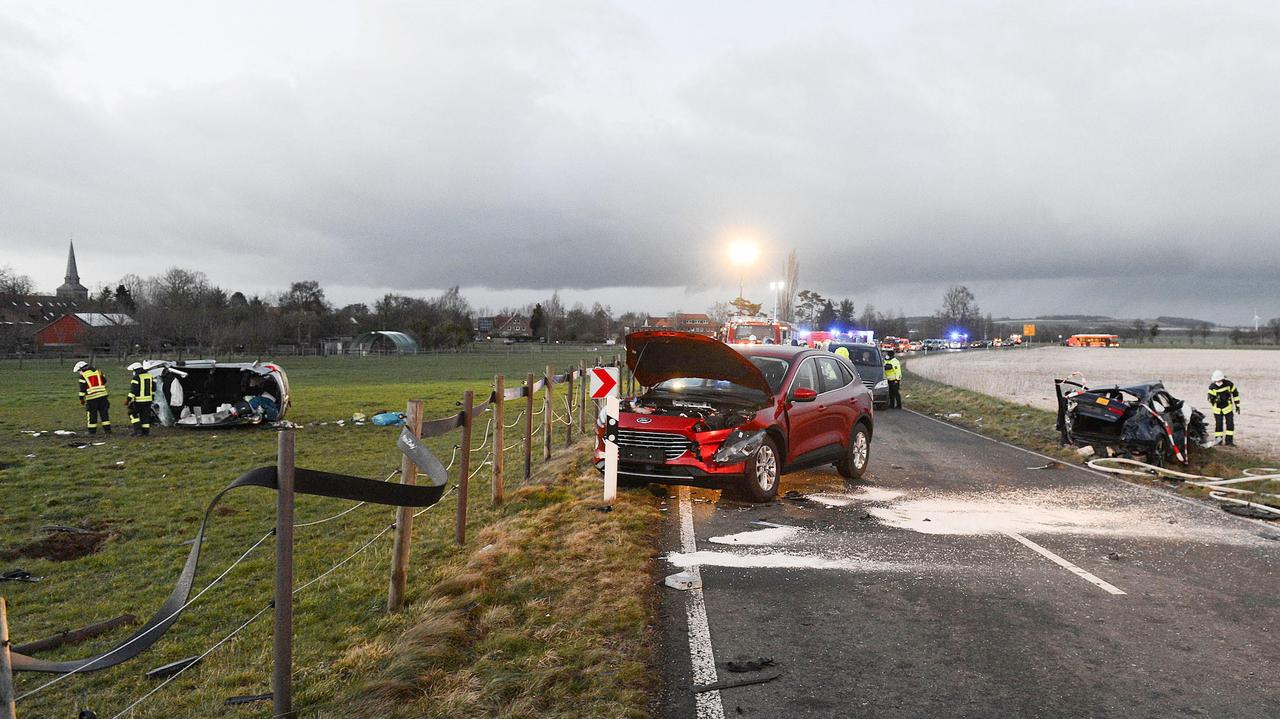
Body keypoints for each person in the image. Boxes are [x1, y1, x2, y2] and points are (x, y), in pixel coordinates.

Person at [73, 360, 111, 434]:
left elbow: (82, 389)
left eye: (79, 371)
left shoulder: (83, 376)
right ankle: (107, 430)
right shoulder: (98, 372)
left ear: (81, 369)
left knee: (92, 415)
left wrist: (81, 399)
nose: (79, 372)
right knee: (104, 414)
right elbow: (104, 381)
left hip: (91, 398)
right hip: (103, 396)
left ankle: (92, 431)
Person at [1207, 370, 1241, 446]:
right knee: (1218, 425)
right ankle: (1218, 441)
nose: (1218, 382)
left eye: (1219, 380)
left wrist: (1237, 405)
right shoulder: (1212, 387)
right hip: (1217, 410)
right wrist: (1214, 399)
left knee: (1230, 424)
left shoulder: (1229, 384)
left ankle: (1229, 441)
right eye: (1216, 380)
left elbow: (1235, 394)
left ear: (1223, 379)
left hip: (1228, 408)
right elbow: (1209, 398)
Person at [125, 362, 156, 436]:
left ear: (136, 370)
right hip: (148, 401)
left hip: (139, 401)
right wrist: (152, 398)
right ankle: (145, 432)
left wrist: (128, 400)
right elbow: (154, 389)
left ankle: (137, 430)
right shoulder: (150, 376)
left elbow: (133, 391)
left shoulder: (136, 378)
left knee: (131, 413)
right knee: (145, 416)